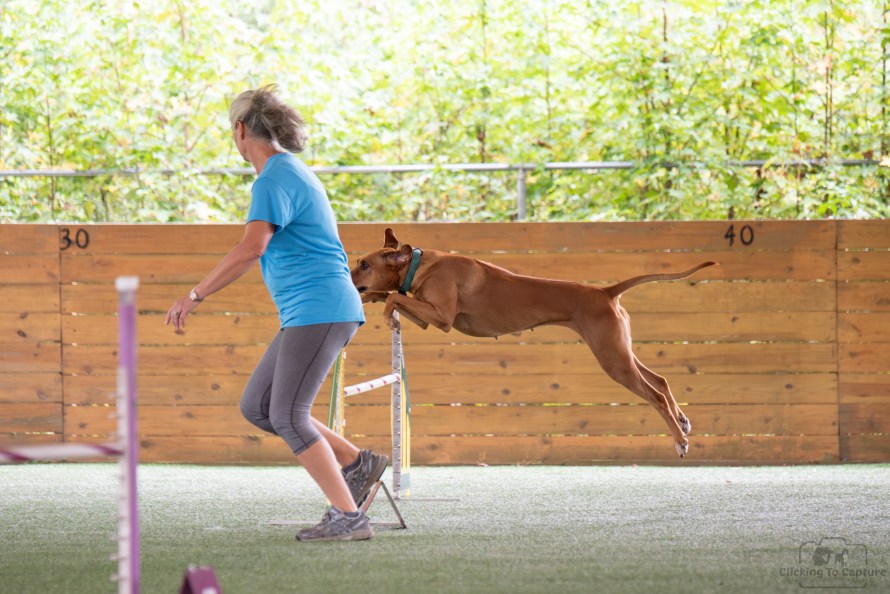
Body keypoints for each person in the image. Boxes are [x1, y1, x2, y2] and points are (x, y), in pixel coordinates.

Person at [165, 85, 387, 542]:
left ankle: (349, 517)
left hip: (320, 308)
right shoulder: (288, 171)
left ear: (240, 130)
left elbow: (253, 247)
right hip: (311, 310)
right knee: (260, 406)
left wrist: (194, 295)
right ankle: (357, 463)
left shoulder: (273, 179)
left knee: (288, 414)